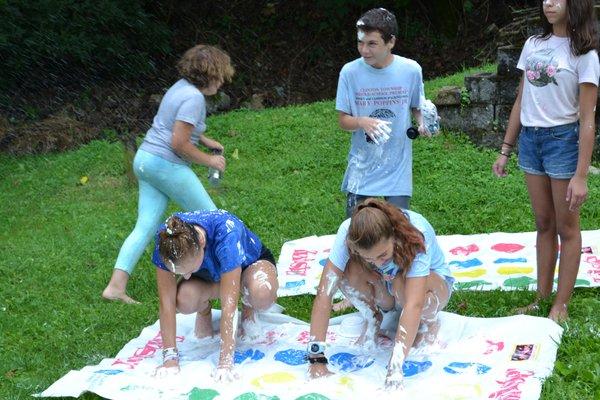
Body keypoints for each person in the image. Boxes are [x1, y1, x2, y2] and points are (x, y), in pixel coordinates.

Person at [492, 0, 599, 322]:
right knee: (543, 224)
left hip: (562, 141)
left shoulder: (586, 55)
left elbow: (588, 120)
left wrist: (581, 175)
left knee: (567, 227)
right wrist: (505, 148)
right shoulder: (533, 44)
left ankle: (560, 305)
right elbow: (522, 98)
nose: (548, 3)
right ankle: (541, 297)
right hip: (531, 141)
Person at [103, 45, 234, 303]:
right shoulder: (194, 98)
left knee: (145, 226)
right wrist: (211, 161)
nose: (221, 83)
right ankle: (223, 279)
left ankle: (115, 287)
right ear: (210, 75)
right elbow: (178, 143)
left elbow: (176, 126)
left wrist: (204, 140)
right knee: (215, 220)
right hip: (164, 164)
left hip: (145, 160)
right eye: (220, 77)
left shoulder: (180, 87)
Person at [307, 199, 454, 390]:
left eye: (383, 255)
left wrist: (395, 368)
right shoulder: (348, 232)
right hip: (387, 286)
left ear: (393, 235)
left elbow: (414, 304)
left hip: (429, 288)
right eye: (369, 258)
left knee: (401, 281)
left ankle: (428, 324)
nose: (377, 263)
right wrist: (316, 359)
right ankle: (373, 317)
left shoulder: (415, 232)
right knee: (346, 274)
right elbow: (324, 294)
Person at [153, 210, 278, 381]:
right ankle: (204, 310)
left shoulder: (226, 234)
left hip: (248, 267)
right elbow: (166, 302)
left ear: (202, 241)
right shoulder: (167, 241)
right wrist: (169, 358)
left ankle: (248, 305)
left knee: (261, 292)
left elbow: (229, 305)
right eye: (181, 273)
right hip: (209, 276)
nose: (186, 277)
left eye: (189, 270)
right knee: (184, 299)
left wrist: (225, 362)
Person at [336, 7, 429, 218]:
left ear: (391, 42)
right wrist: (361, 121)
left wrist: (423, 122)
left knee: (398, 233)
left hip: (397, 167)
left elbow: (416, 106)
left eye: (372, 44)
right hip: (362, 167)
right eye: (360, 42)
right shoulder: (349, 72)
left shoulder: (411, 70)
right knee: (359, 232)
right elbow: (343, 120)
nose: (364, 50)